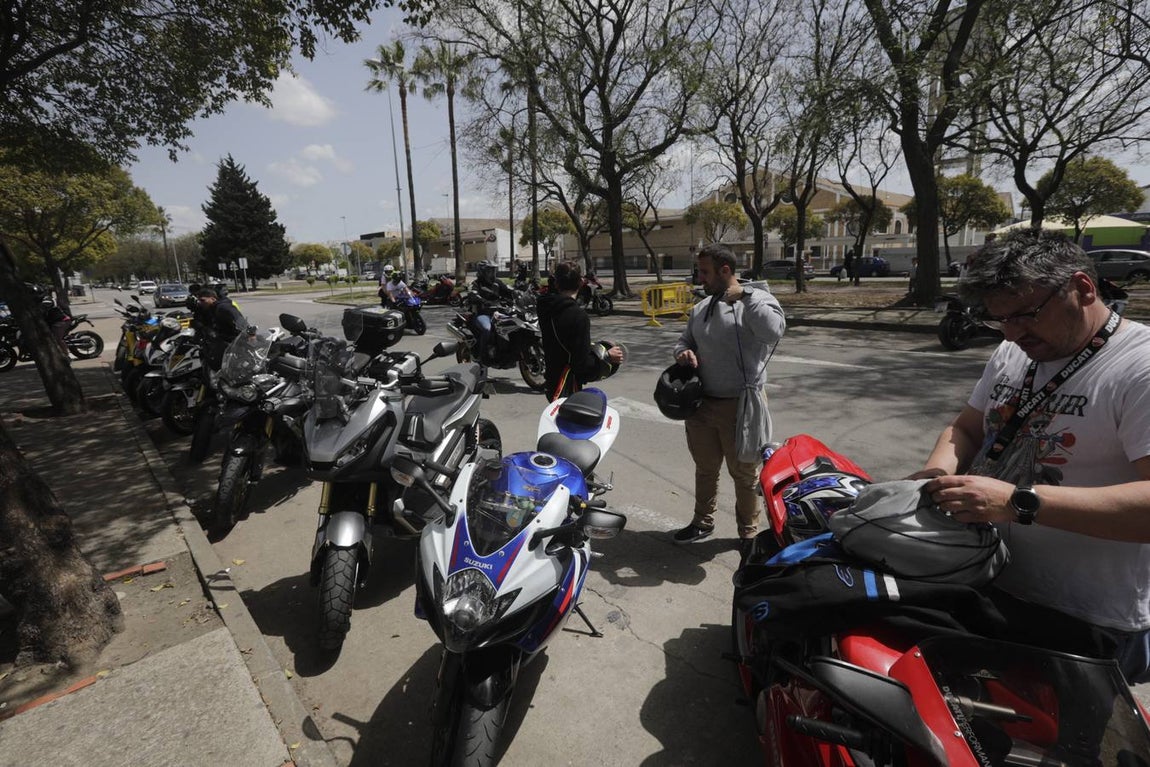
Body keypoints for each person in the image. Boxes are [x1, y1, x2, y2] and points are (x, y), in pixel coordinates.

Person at [915, 228, 1150, 682]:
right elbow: (966, 428)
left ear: (1082, 288)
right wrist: (934, 473)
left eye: (1024, 315)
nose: (1011, 332)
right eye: (998, 319)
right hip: (991, 585)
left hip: (1086, 618)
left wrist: (1018, 503)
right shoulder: (1013, 352)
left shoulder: (1139, 367)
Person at [671, 244, 786, 546]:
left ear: (725, 271)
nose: (700, 278)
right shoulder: (702, 307)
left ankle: (748, 533)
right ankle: (702, 522)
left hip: (740, 406)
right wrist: (682, 352)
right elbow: (685, 340)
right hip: (701, 405)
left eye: (705, 272)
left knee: (744, 474)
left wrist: (746, 297)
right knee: (705, 469)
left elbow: (773, 331)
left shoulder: (757, 299)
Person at [538, 261, 624, 401]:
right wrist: (607, 356)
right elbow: (582, 366)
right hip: (567, 386)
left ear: (556, 283)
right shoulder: (578, 316)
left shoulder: (544, 306)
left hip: (552, 380)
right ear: (581, 283)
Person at [467, 261, 515, 364]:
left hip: (498, 312)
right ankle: (483, 356)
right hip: (482, 313)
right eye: (489, 271)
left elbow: (508, 291)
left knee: (514, 324)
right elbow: (473, 294)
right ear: (482, 272)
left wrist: (518, 293)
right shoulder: (476, 284)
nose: (492, 274)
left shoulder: (497, 282)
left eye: (493, 271)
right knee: (487, 329)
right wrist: (484, 301)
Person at [195, 287, 247, 370]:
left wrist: (250, 335)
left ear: (213, 299)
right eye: (198, 300)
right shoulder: (212, 308)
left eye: (202, 300)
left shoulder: (223, 307)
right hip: (223, 342)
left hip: (235, 343)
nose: (200, 303)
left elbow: (241, 323)